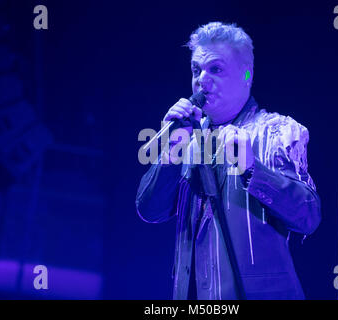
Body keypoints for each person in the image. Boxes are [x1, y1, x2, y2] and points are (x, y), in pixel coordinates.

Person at [136, 22, 321, 300]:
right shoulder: (186, 138)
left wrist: (253, 170)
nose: (202, 80)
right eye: (196, 70)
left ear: (247, 75)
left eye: (216, 69)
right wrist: (171, 151)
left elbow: (308, 216)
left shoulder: (277, 131)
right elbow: (150, 210)